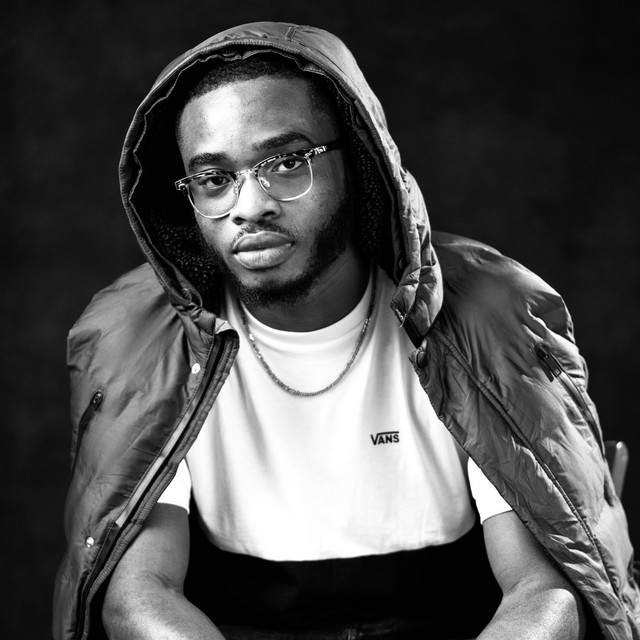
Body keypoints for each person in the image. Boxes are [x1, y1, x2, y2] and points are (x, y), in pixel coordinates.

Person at [53, 21, 639, 640]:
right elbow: (138, 596)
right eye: (215, 180)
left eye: (286, 163)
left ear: (359, 163)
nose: (249, 207)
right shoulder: (137, 339)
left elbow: (544, 592)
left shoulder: (486, 316)